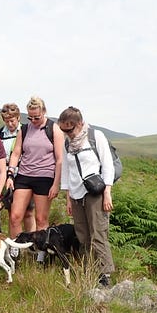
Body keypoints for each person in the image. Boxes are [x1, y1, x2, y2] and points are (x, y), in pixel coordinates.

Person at [58, 106, 115, 287]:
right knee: (82, 235)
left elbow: (107, 165)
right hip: (76, 195)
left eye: (70, 129)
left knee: (98, 233)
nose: (67, 133)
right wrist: (68, 197)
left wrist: (107, 193)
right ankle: (89, 269)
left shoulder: (95, 137)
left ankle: (104, 274)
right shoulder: (67, 143)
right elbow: (66, 171)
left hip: (95, 193)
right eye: (63, 130)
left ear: (80, 123)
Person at [5, 96, 63, 259]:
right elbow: (16, 153)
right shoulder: (24, 129)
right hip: (24, 175)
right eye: (30, 117)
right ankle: (17, 253)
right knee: (15, 215)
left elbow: (59, 159)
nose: (34, 120)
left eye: (37, 117)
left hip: (45, 177)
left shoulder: (54, 129)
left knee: (41, 219)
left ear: (44, 112)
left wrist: (56, 184)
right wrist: (10, 175)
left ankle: (40, 257)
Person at [0, 103, 35, 233]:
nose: (10, 124)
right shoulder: (0, 134)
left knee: (28, 211)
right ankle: (15, 244)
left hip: (24, 173)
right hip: (5, 174)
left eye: (12, 120)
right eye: (7, 121)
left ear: (18, 118)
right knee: (12, 212)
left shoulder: (26, 131)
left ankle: (32, 241)